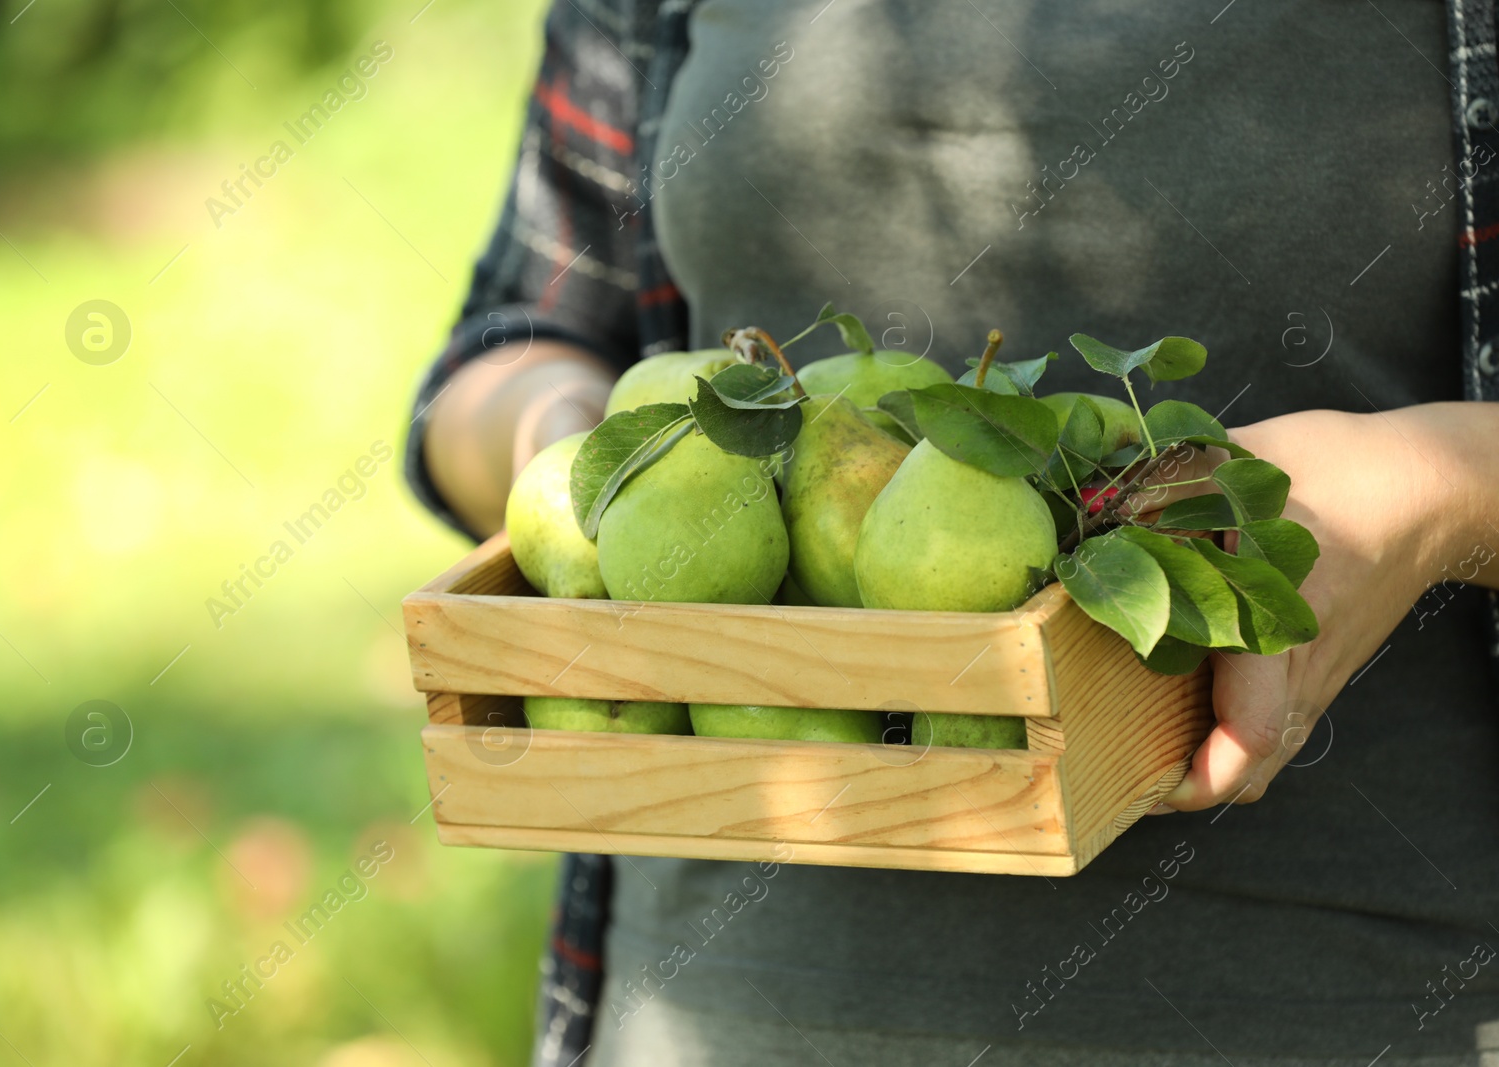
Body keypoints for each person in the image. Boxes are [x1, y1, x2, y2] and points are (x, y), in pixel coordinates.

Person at [406, 1, 1499, 1063]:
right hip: (723, 1003)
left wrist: (1432, 491)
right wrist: (583, 455)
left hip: (1365, 1000)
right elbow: (512, 338)